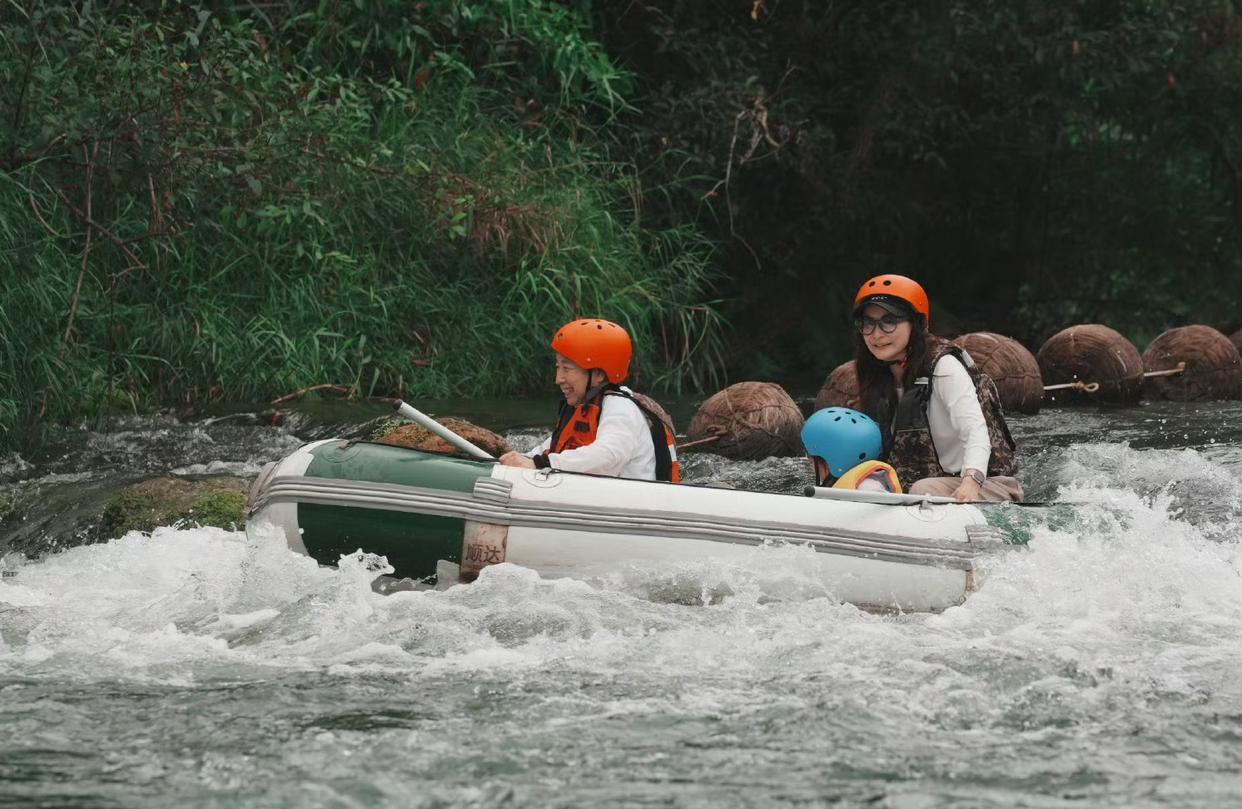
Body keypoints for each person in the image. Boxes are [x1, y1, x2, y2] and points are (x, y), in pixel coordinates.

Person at [850, 274, 1022, 502]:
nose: (877, 334)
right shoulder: (875, 372)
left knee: (923, 489)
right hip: (923, 487)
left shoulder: (944, 366)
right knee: (864, 485)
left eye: (889, 321)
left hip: (985, 485)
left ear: (917, 324)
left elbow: (975, 431)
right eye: (868, 323)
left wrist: (971, 482)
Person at [498, 319, 679, 482]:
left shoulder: (621, 408)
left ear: (598, 374)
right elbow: (547, 450)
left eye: (566, 369)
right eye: (557, 367)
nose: (558, 378)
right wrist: (520, 460)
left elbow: (608, 457)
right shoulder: (581, 406)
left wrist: (541, 464)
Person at [802, 407, 902, 493]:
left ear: (833, 461)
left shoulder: (868, 489)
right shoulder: (859, 483)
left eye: (810, 458)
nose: (810, 465)